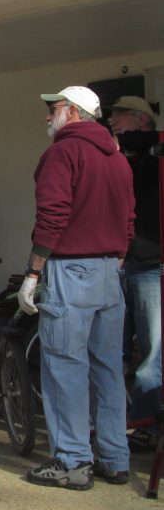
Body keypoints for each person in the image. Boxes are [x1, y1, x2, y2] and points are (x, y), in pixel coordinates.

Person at [18, 86, 134, 489]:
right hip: (110, 272)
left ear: (72, 111)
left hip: (71, 269)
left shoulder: (62, 153)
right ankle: (116, 458)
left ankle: (72, 460)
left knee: (65, 366)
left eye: (53, 109)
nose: (48, 117)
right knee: (108, 369)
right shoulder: (116, 158)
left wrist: (33, 274)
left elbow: (52, 214)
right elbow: (128, 216)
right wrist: (117, 255)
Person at [108, 95, 161, 449]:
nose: (114, 122)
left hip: (151, 265)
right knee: (114, 349)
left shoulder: (154, 155)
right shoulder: (120, 156)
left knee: (152, 351)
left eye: (121, 117)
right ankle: (117, 422)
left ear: (142, 120)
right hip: (120, 264)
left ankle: (146, 425)